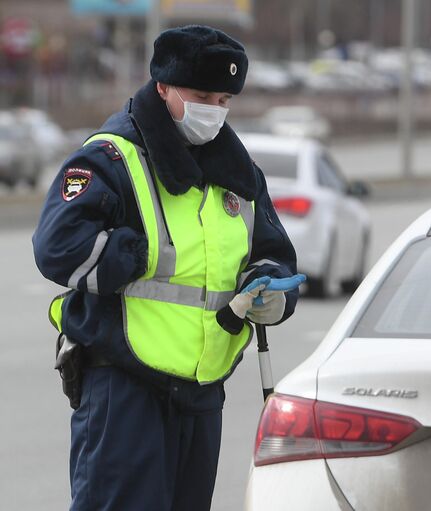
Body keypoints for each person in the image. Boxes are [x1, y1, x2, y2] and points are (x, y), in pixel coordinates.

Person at [32, 25, 301, 510]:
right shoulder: (112, 157)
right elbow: (56, 245)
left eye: (223, 100)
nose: (213, 111)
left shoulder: (237, 172)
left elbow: (273, 250)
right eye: (202, 95)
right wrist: (129, 256)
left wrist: (266, 287)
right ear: (163, 87)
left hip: (202, 391)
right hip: (124, 384)